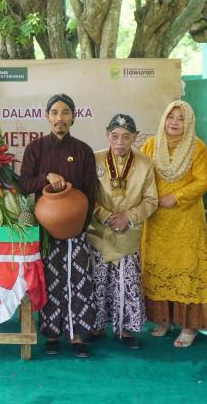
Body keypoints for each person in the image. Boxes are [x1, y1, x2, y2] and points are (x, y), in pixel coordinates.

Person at [19, 93, 97, 358]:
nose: (59, 118)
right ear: (47, 117)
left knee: (79, 281)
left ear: (73, 117)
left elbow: (90, 191)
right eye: (54, 113)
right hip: (45, 230)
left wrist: (80, 226)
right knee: (50, 280)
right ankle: (51, 334)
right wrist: (45, 178)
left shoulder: (83, 150)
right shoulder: (36, 149)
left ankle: (78, 335)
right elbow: (23, 184)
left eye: (65, 112)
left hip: (77, 229)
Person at [140, 100, 207, 348]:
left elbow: (203, 181)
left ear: (188, 122)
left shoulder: (198, 148)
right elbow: (142, 175)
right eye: (171, 116)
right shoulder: (152, 144)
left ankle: (189, 326)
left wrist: (177, 197)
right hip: (157, 221)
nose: (174, 122)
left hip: (186, 221)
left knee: (188, 271)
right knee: (158, 268)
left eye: (181, 118)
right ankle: (164, 319)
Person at [86, 114, 158, 350]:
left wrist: (128, 217)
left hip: (129, 233)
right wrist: (106, 216)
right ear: (107, 135)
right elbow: (87, 196)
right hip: (100, 233)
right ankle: (96, 326)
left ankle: (124, 329)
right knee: (98, 281)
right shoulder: (95, 160)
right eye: (115, 136)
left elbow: (151, 200)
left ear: (135, 138)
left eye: (126, 137)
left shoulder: (145, 164)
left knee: (126, 283)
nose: (120, 141)